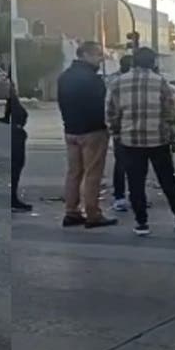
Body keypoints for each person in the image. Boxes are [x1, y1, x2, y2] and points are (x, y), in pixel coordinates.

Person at [108, 47, 175, 236]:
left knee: (135, 182)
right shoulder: (160, 82)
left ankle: (141, 223)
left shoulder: (118, 83)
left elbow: (111, 113)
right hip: (158, 140)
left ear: (134, 61)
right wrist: (174, 139)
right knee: (167, 179)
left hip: (130, 141)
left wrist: (117, 134)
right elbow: (170, 114)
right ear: (153, 62)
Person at [57, 41, 117, 228]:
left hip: (71, 130)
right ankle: (93, 213)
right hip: (92, 130)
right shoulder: (93, 79)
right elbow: (102, 106)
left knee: (74, 173)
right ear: (85, 55)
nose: (100, 59)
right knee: (93, 173)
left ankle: (71, 211)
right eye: (98, 55)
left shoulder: (64, 77)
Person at [107, 55, 133, 212]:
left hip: (121, 129)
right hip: (126, 128)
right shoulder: (120, 81)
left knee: (123, 164)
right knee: (126, 165)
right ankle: (122, 195)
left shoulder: (113, 80)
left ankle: (122, 196)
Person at [9, 81, 32, 212]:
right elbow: (21, 114)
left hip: (17, 133)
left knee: (16, 167)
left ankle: (13, 197)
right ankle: (12, 198)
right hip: (16, 135)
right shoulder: (13, 99)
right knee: (16, 166)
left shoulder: (12, 99)